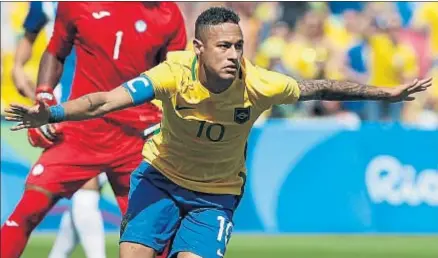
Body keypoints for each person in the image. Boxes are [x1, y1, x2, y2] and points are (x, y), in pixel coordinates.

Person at [5, 7, 432, 258]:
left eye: (238, 45)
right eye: (223, 46)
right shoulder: (173, 73)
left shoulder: (261, 83)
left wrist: (386, 94)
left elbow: (320, 86)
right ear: (198, 49)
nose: (233, 54)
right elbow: (104, 100)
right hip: (159, 181)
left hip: (214, 196)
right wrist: (53, 112)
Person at [1, 2, 186, 258]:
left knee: (152, 237)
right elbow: (55, 51)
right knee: (28, 210)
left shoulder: (167, 12)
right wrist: (43, 97)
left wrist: (167, 118)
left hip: (136, 137)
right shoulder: (75, 4)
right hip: (80, 130)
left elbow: (176, 75)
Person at [11, 2, 107, 257]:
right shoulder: (45, 3)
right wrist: (18, 68)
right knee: (87, 188)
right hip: (70, 103)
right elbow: (29, 37)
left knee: (85, 193)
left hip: (110, 99)